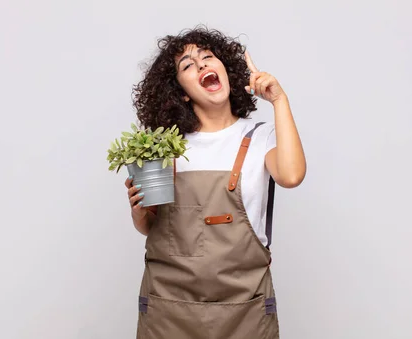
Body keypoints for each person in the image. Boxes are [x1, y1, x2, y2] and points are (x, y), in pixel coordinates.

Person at [125, 26, 306, 339]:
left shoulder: (260, 137)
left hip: (244, 313)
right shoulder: (163, 147)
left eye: (208, 57)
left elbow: (291, 176)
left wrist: (279, 100)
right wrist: (139, 212)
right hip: (169, 313)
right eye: (188, 65)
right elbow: (155, 228)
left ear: (225, 70)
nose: (202, 65)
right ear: (181, 90)